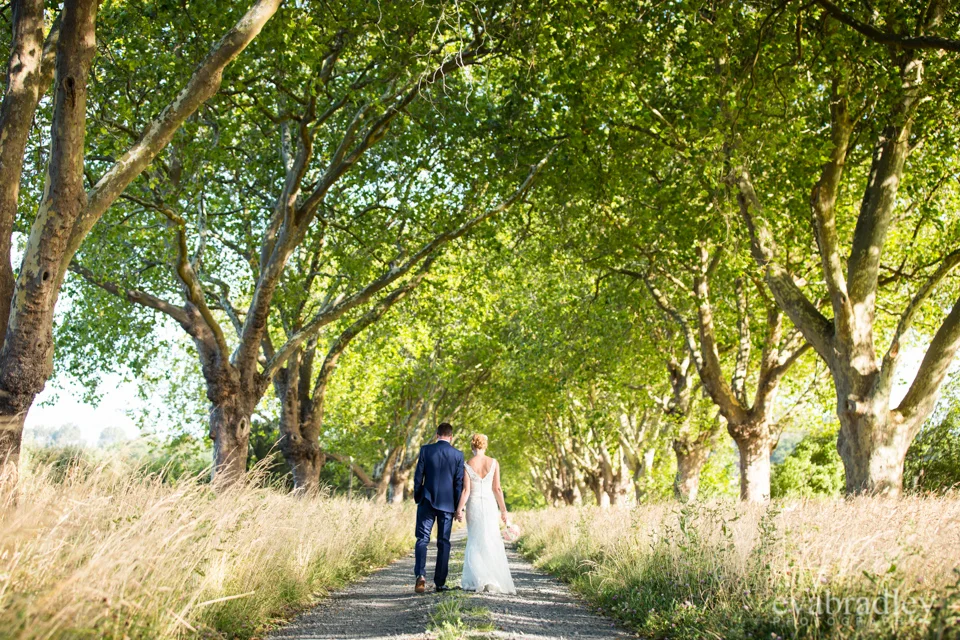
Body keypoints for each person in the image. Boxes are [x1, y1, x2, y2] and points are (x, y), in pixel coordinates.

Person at [456, 433, 516, 594]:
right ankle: (492, 580)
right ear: (485, 445)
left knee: (475, 539)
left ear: (472, 446)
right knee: (490, 538)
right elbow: (497, 488)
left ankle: (478, 579)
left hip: (474, 505)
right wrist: (504, 510)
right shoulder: (494, 463)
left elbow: (466, 490)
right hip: (490, 505)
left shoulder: (467, 464)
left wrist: (459, 509)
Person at [412, 422, 464, 594]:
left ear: (437, 435)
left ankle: (420, 575)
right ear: (451, 436)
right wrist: (458, 507)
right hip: (447, 504)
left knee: (422, 539)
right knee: (444, 542)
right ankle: (440, 583)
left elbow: (418, 475)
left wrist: (418, 495)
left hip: (427, 500)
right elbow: (458, 483)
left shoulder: (426, 450)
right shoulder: (458, 455)